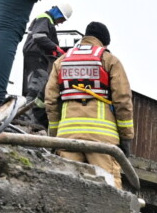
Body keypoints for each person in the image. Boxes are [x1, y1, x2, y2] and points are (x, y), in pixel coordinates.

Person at [42, 21, 132, 186]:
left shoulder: (61, 61)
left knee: (67, 187)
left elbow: (50, 100)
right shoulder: (109, 60)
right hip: (101, 140)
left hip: (67, 137)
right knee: (109, 190)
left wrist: (54, 135)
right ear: (104, 42)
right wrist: (126, 138)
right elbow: (123, 100)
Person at [18, 0, 71, 128]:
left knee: (37, 86)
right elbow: (39, 37)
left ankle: (29, 116)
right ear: (59, 14)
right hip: (37, 56)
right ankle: (28, 117)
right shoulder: (45, 19)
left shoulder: (47, 21)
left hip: (38, 56)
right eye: (62, 19)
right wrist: (56, 49)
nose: (61, 22)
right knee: (36, 87)